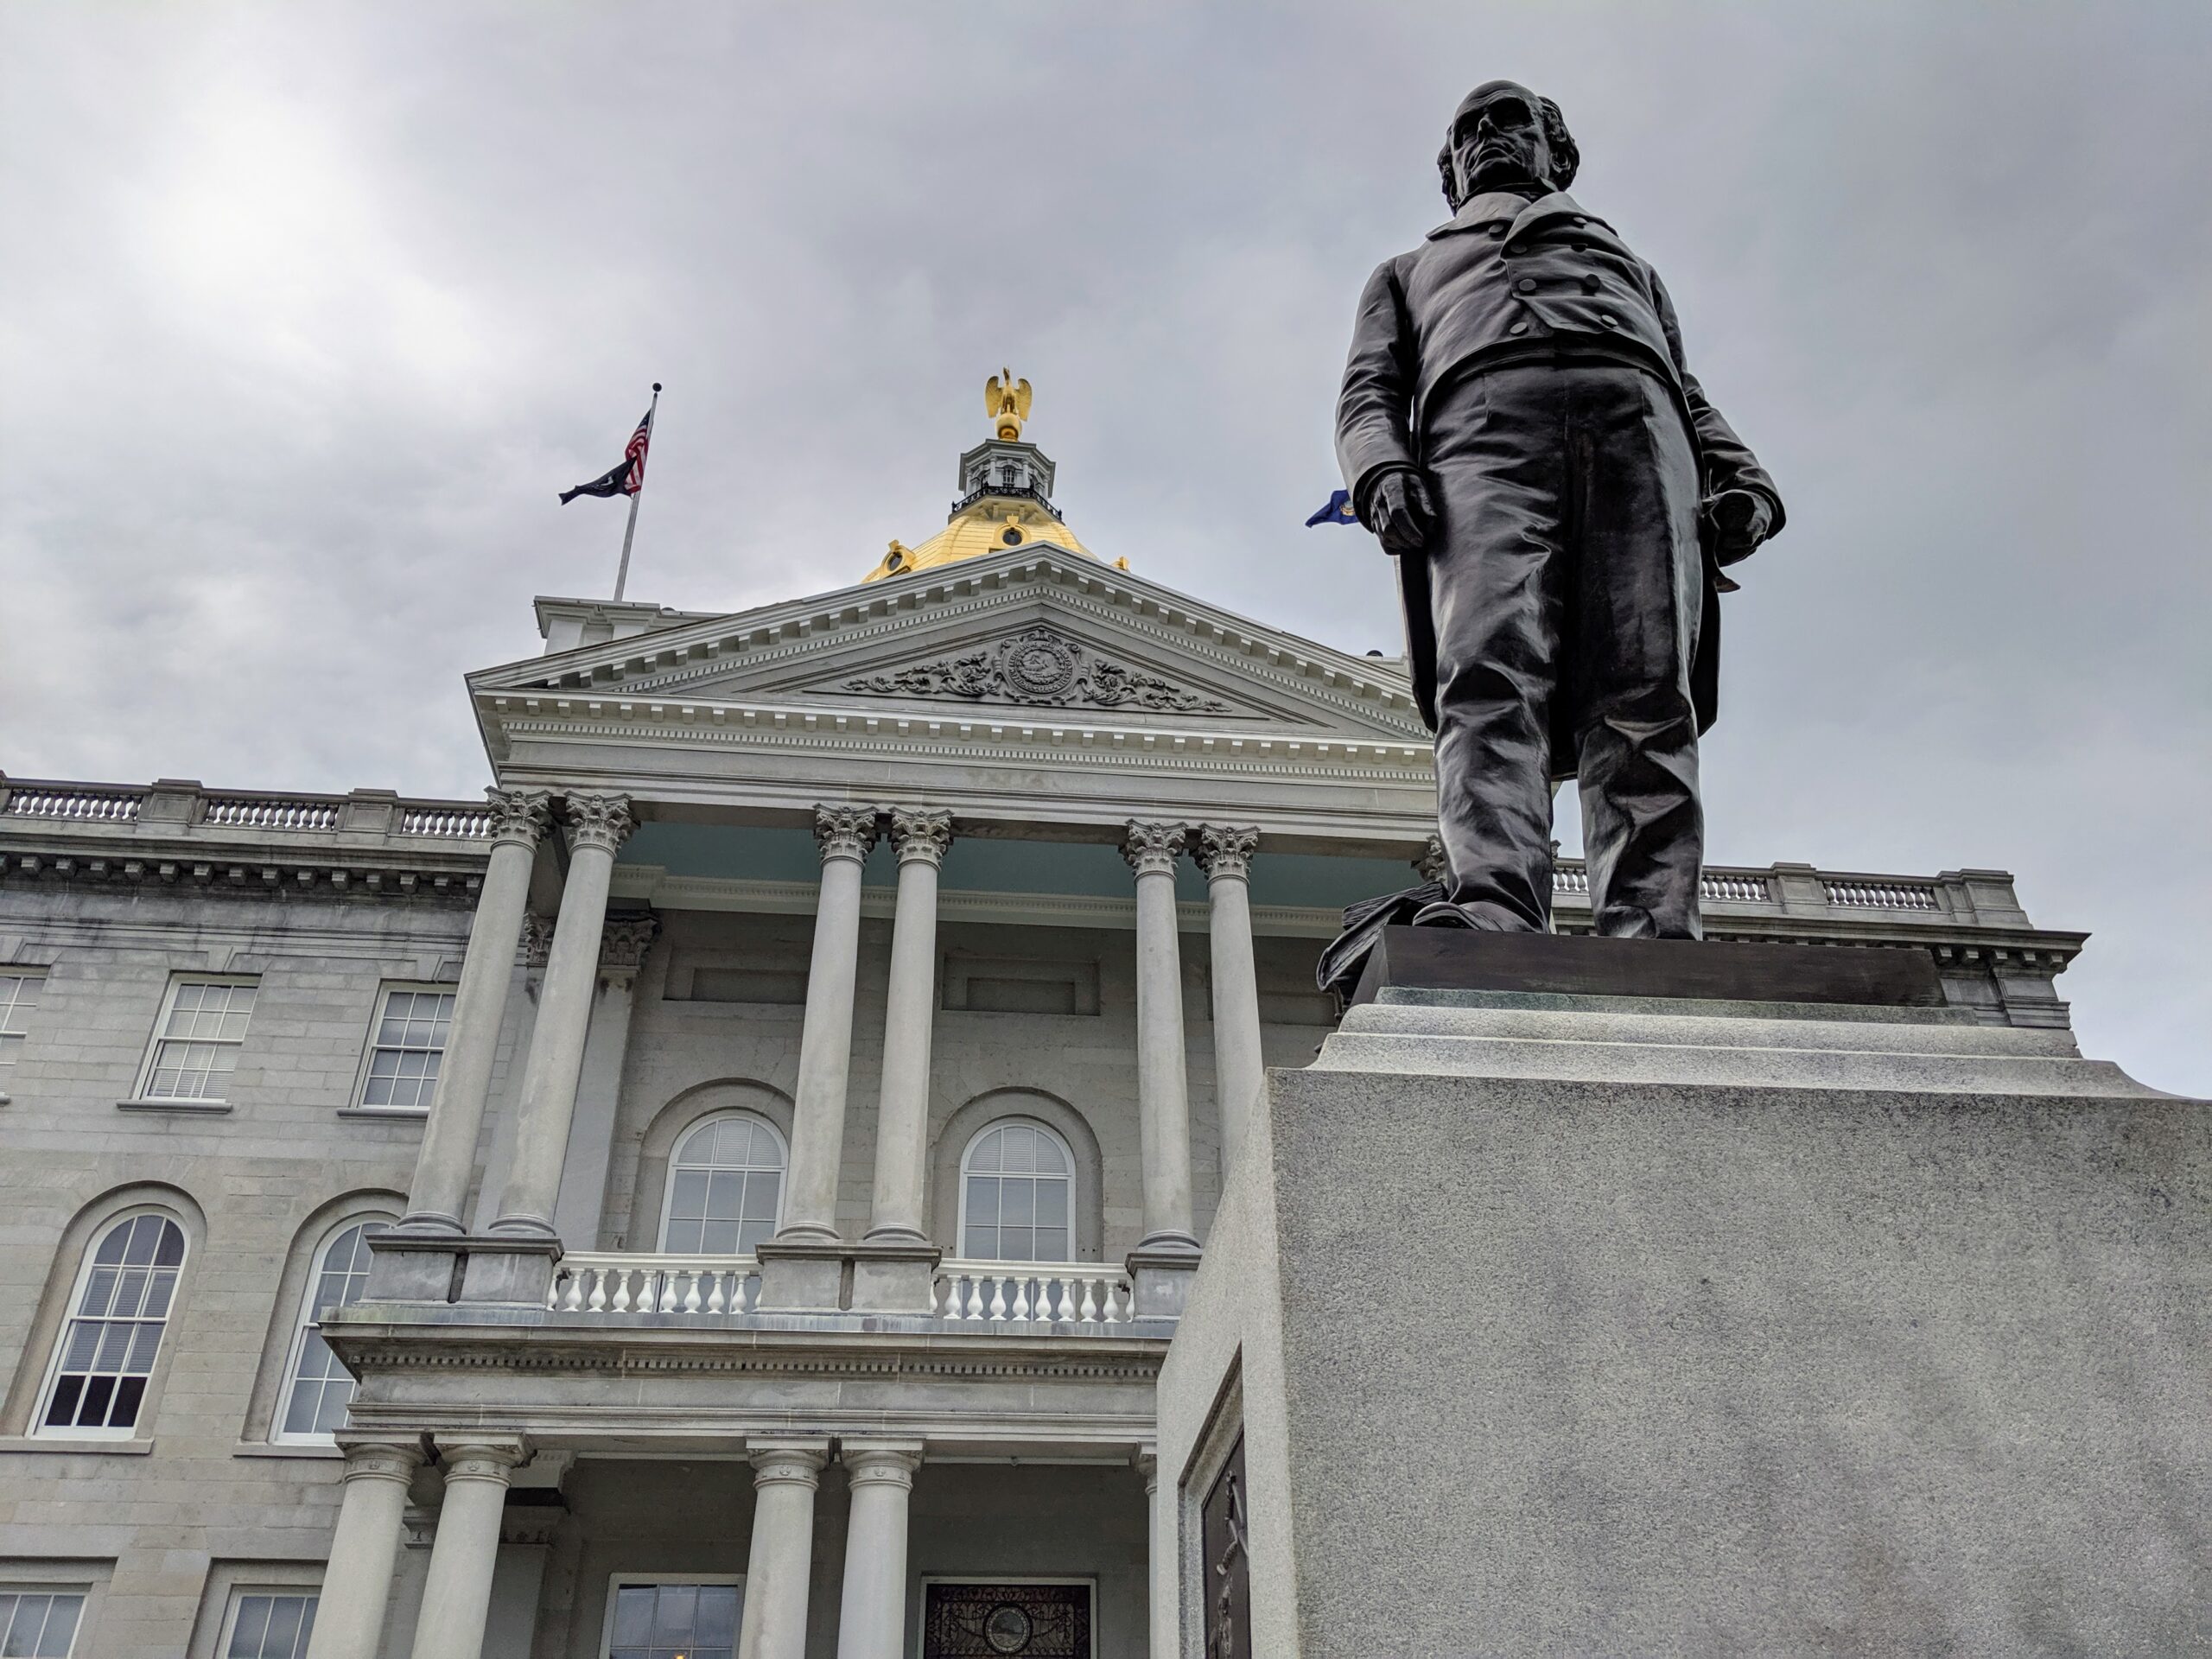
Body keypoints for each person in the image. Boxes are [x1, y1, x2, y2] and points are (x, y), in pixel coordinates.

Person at [1337, 79, 1784, 938]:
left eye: (1507, 121)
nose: (1485, 138)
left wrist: (1744, 477)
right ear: (1451, 171)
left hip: (1639, 436)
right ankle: (1495, 904)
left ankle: (1653, 923)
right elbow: (1368, 392)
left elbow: (1685, 390)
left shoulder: (1630, 265)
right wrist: (1379, 468)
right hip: (1482, 439)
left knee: (1645, 687)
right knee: (1488, 668)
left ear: (1558, 150)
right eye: (1466, 132)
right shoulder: (1406, 272)